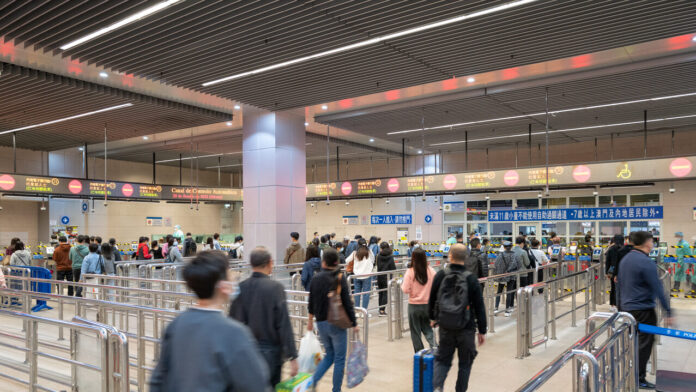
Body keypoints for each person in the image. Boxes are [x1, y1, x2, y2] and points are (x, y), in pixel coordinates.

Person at [150, 251, 269, 391]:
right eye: (230, 273)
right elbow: (255, 385)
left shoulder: (175, 325)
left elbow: (158, 380)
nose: (235, 277)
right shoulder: (234, 333)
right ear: (222, 285)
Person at [230, 247, 298, 386]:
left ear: (251, 264)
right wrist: (293, 356)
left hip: (246, 352)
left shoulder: (241, 287)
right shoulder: (275, 288)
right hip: (271, 354)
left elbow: (233, 322)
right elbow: (283, 324)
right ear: (270, 263)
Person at [617, 231, 672, 390]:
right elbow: (657, 288)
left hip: (628, 309)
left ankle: (631, 371)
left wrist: (621, 308)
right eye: (652, 241)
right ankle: (639, 377)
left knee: (635, 342)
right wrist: (668, 311)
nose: (653, 244)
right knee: (645, 344)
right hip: (643, 309)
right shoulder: (645, 261)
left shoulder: (626, 259)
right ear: (647, 243)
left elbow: (620, 285)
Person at [428, 244, 487, 392]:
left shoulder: (441, 275)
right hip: (466, 328)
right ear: (466, 258)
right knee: (465, 364)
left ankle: (436, 387)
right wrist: (482, 330)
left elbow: (432, 298)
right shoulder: (471, 278)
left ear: (450, 256)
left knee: (442, 361)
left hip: (445, 326)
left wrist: (432, 318)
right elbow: (479, 306)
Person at [307, 248, 358, 392]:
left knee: (329, 354)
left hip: (321, 323)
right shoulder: (339, 278)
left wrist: (310, 321)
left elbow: (311, 302)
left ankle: (314, 380)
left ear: (324, 262)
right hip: (337, 323)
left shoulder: (316, 278)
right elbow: (347, 303)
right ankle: (336, 390)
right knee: (340, 359)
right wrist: (354, 323)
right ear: (336, 263)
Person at [402, 248, 436, 351]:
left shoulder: (410, 272)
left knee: (415, 332)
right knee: (428, 328)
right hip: (428, 305)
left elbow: (405, 289)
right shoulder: (431, 270)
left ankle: (419, 353)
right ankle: (435, 347)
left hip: (414, 306)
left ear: (413, 258)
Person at [346, 238, 375, 309]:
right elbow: (373, 260)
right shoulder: (369, 251)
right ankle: (364, 311)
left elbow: (346, 260)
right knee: (366, 294)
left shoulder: (355, 253)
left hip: (357, 276)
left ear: (358, 244)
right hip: (367, 276)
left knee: (357, 293)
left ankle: (358, 311)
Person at [494, 241, 521, 316]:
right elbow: (519, 265)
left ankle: (496, 308)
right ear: (511, 247)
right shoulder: (514, 255)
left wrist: (500, 273)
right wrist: (512, 270)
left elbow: (496, 264)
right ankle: (507, 311)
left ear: (504, 247)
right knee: (509, 292)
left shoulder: (500, 255)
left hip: (502, 276)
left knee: (499, 291)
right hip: (511, 276)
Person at [376, 241, 396, 316]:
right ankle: (382, 310)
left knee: (380, 293)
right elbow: (393, 267)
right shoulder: (390, 256)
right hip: (387, 277)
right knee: (386, 293)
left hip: (380, 276)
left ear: (381, 248)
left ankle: (380, 309)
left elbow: (378, 266)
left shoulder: (378, 255)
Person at [605, 234, 624, 311]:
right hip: (621, 271)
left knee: (613, 288)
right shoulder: (623, 249)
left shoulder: (611, 249)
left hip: (612, 270)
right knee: (620, 289)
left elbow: (608, 262)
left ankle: (612, 305)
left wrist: (608, 273)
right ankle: (618, 305)